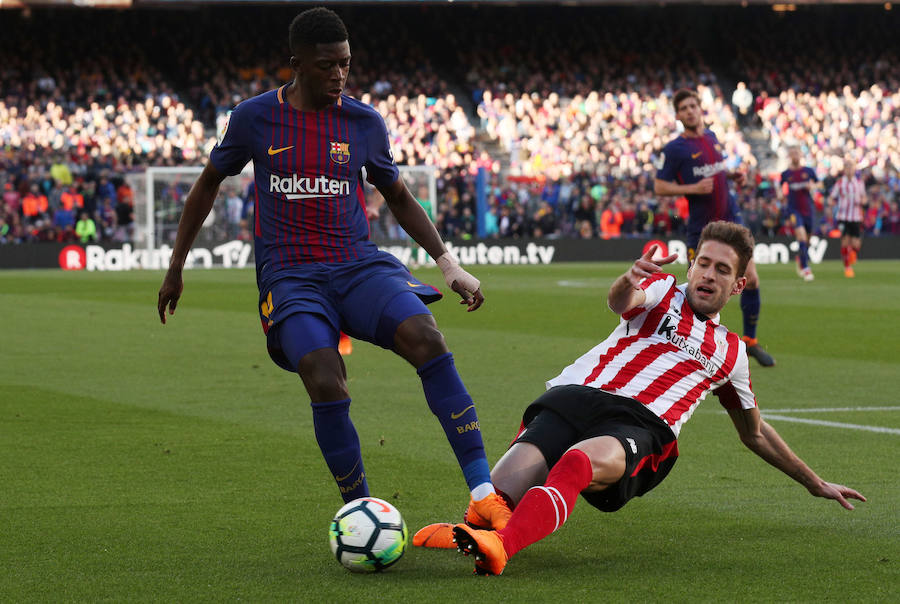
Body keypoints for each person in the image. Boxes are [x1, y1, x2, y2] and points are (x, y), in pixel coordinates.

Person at [156, 7, 508, 525]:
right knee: (323, 376)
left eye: (345, 63)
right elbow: (207, 184)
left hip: (358, 266)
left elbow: (399, 194)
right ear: (295, 63)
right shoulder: (254, 118)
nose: (339, 74)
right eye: (327, 65)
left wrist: (447, 262)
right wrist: (175, 266)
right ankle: (362, 511)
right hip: (291, 276)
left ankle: (483, 495)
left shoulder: (364, 122)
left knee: (427, 338)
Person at [413, 221, 865, 575]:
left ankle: (502, 549)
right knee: (500, 494)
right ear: (690, 267)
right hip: (578, 396)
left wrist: (813, 481)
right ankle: (470, 530)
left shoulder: (732, 354)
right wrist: (628, 276)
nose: (709, 274)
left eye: (722, 269)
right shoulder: (662, 292)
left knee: (576, 463)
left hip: (642, 426)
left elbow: (755, 433)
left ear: (738, 285)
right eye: (703, 263)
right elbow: (620, 300)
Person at [654, 88, 775, 367]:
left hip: (732, 221)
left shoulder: (712, 137)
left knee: (752, 280)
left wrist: (730, 175)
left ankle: (750, 343)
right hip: (703, 229)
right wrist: (692, 188)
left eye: (693, 106)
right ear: (678, 115)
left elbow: (714, 171)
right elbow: (660, 186)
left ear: (700, 108)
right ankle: (687, 347)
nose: (690, 111)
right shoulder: (675, 149)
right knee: (697, 290)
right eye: (684, 108)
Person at [779, 146, 819, 281]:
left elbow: (819, 184)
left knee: (807, 240)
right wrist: (780, 194)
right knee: (801, 236)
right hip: (793, 211)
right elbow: (780, 186)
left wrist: (812, 187)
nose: (795, 155)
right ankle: (806, 269)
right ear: (789, 156)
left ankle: (800, 258)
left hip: (808, 210)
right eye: (792, 153)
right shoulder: (786, 174)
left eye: (797, 152)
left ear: (801, 155)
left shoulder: (808, 171)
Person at [829, 158, 867, 278]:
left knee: (856, 244)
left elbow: (864, 198)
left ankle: (852, 254)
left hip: (856, 217)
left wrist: (862, 201)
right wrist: (831, 204)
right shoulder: (840, 183)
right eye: (847, 167)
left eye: (851, 167)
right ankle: (847, 268)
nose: (849, 169)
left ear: (854, 169)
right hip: (843, 216)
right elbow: (831, 197)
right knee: (845, 241)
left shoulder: (859, 183)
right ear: (844, 170)